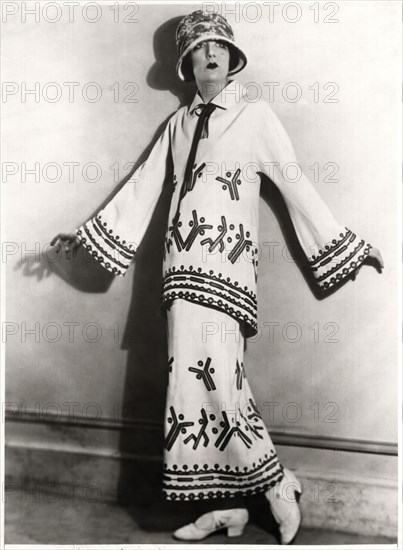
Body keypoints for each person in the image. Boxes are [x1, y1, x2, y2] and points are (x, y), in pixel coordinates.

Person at [51, 9, 384, 545]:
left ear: (233, 59)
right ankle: (225, 507)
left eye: (221, 48)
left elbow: (295, 184)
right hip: (178, 274)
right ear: (187, 63)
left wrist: (345, 244)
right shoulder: (179, 124)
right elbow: (141, 188)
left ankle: (278, 484)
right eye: (201, 48)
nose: (212, 55)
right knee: (187, 384)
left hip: (226, 270)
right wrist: (87, 235)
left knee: (221, 380)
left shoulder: (254, 115)